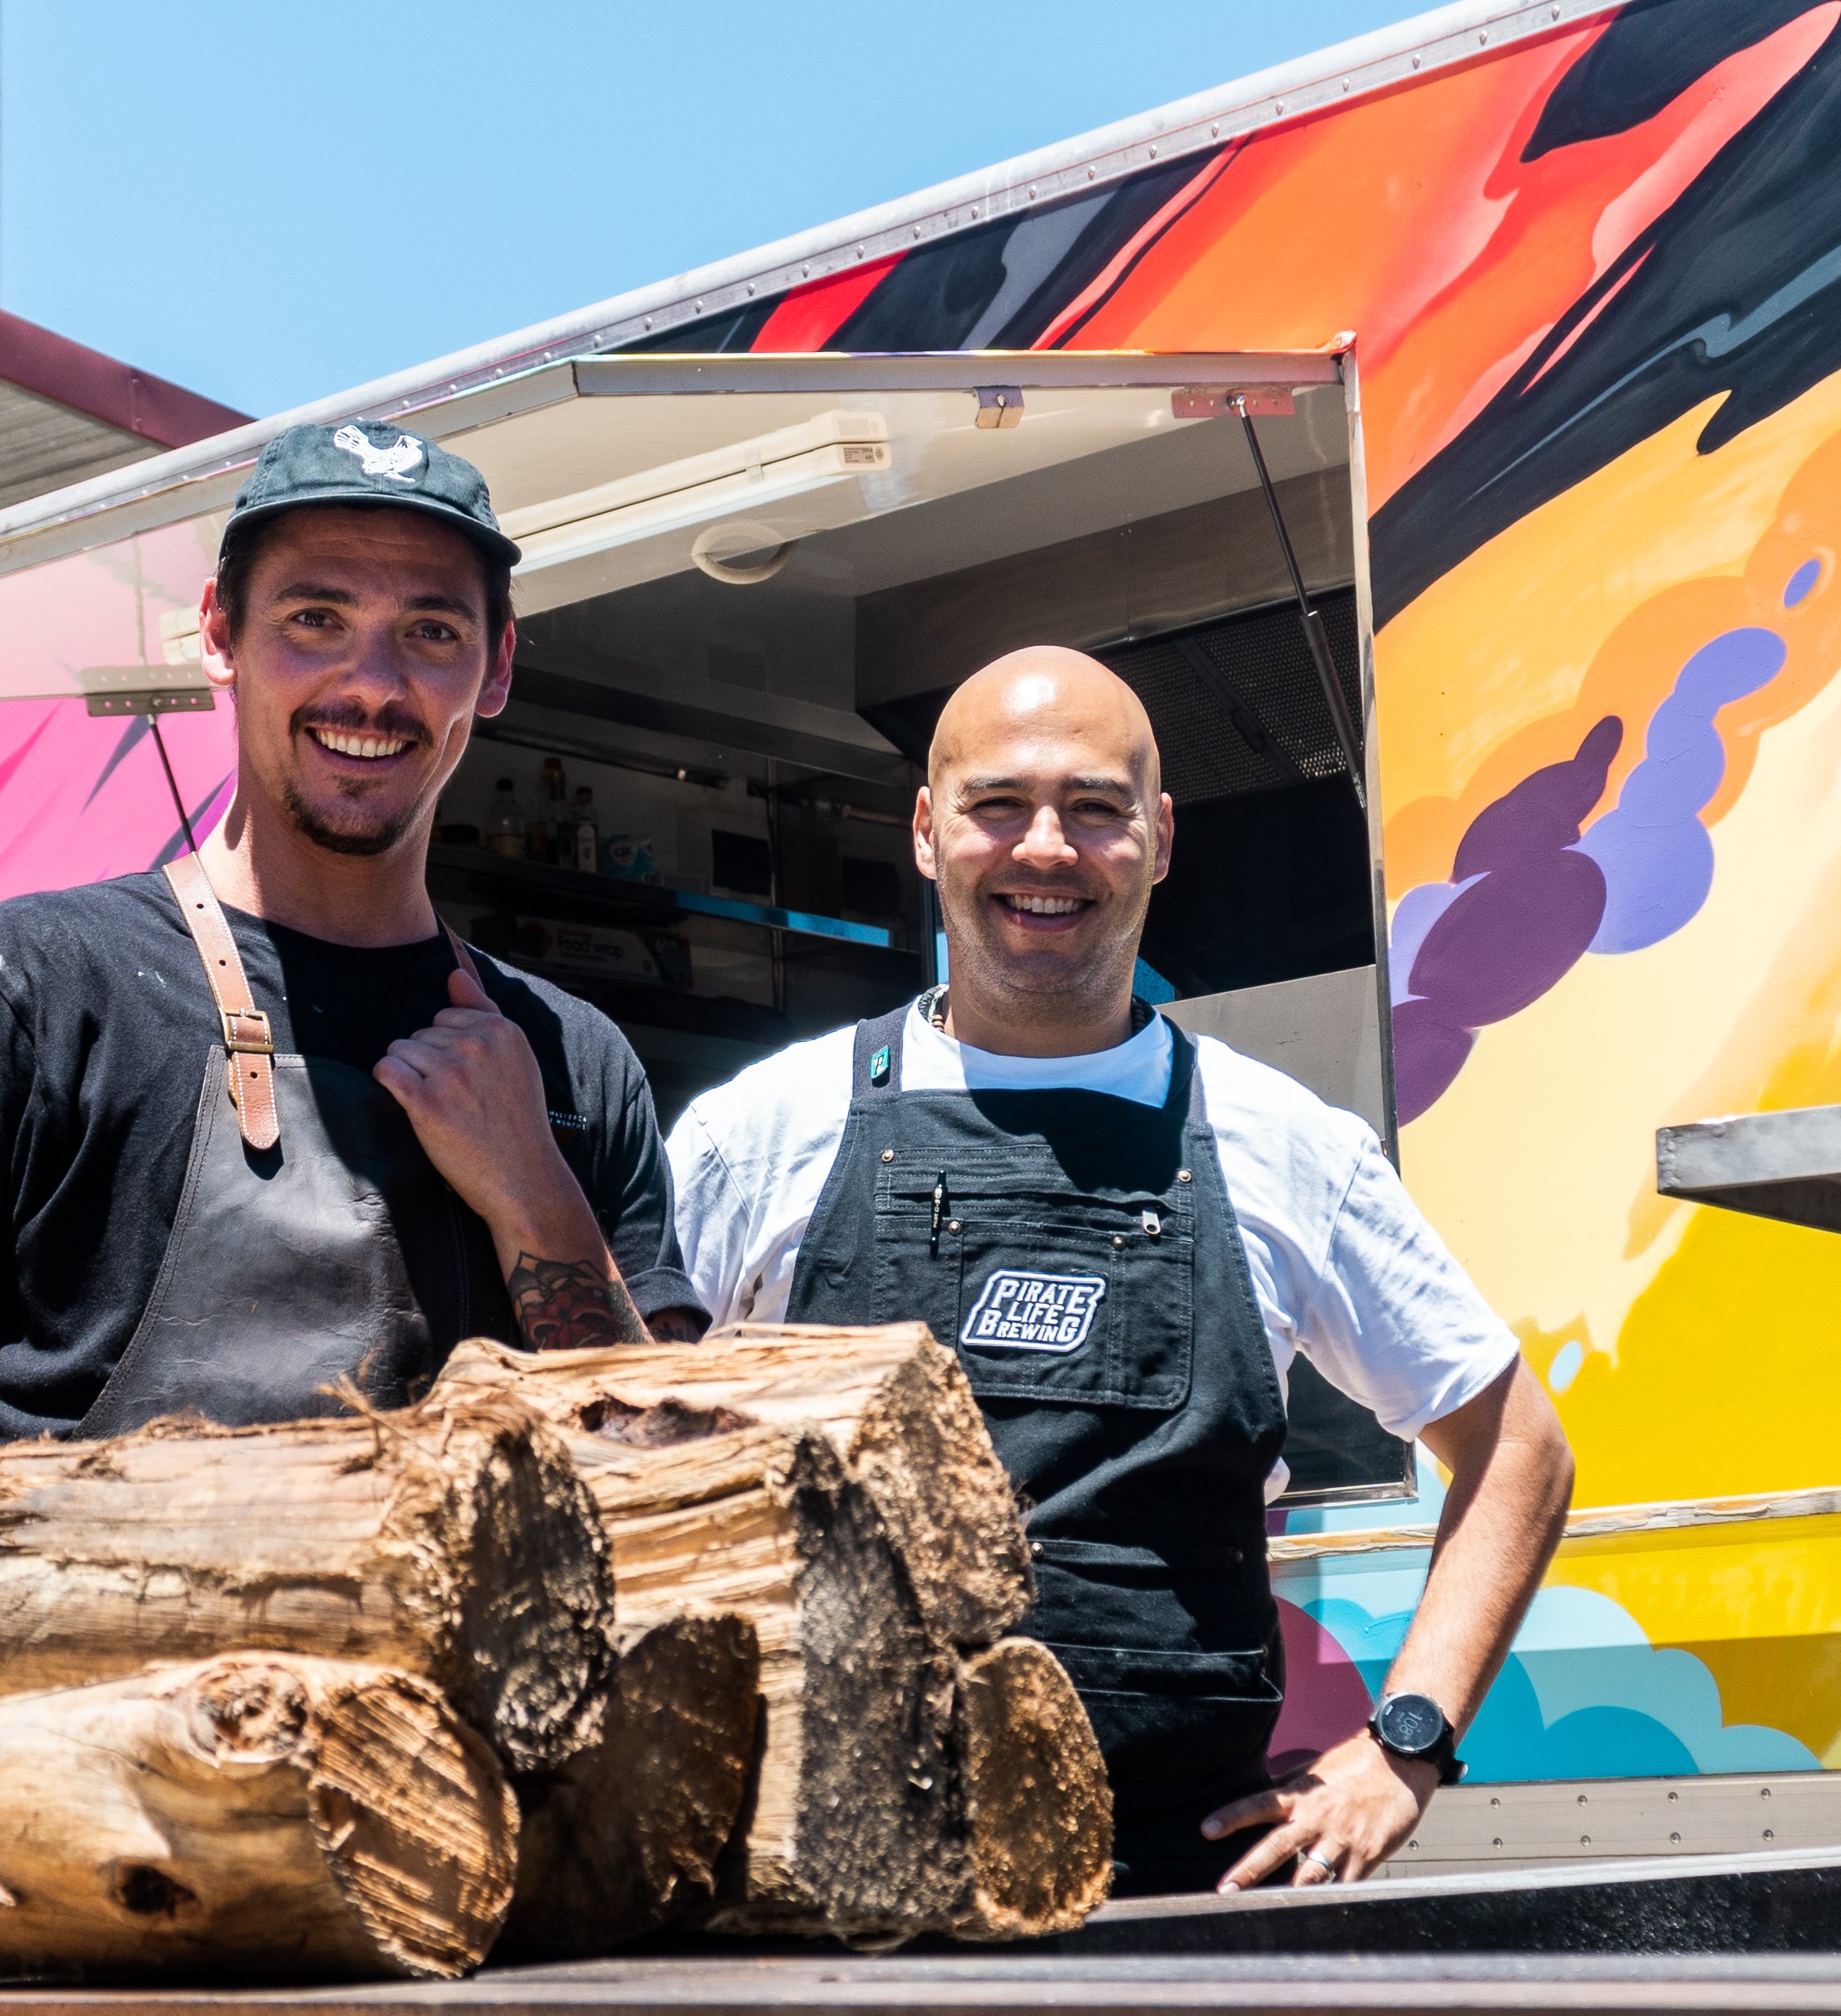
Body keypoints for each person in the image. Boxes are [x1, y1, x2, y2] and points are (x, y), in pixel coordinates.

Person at [0, 421, 700, 1720]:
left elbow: (665, 1491)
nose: (371, 684)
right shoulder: (34, 982)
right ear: (217, 634)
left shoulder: (571, 1059)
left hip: (472, 1834)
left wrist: (535, 1192)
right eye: (315, 618)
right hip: (88, 1801)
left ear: (496, 671)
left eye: (432, 632)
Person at [671, 645, 1574, 1896]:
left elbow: (1520, 1449)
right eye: (1000, 806)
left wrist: (1405, 1748)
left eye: (1095, 810)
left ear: (1158, 840)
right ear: (930, 833)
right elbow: (622, 1460)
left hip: (1174, 1889)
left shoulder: (1285, 1145)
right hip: (816, 1899)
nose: (1046, 847)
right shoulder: (759, 1133)